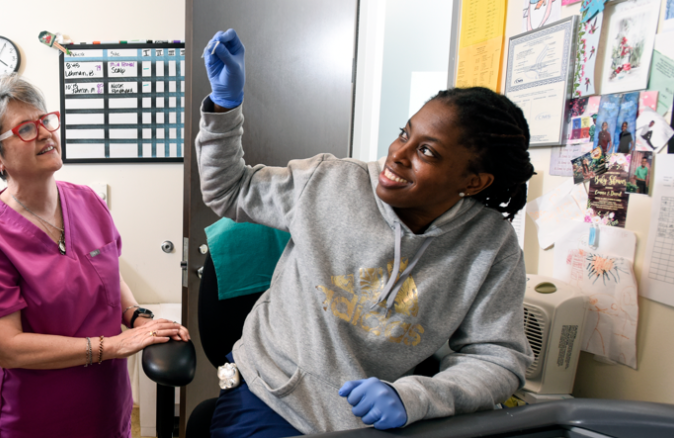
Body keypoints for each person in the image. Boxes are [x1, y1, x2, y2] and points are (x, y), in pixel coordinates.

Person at [198, 29, 535, 437]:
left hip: (376, 417)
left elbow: (498, 358)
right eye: (404, 134)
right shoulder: (330, 182)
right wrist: (224, 107)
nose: (397, 154)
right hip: (269, 393)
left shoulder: (490, 245)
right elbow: (229, 190)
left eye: (427, 151)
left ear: (474, 181)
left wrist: (415, 397)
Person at [0, 74, 190, 438]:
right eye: (26, 129)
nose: (46, 133)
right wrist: (115, 345)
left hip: (107, 404)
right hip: (39, 416)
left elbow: (109, 275)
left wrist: (137, 317)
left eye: (46, 120)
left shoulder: (87, 201)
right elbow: (8, 348)